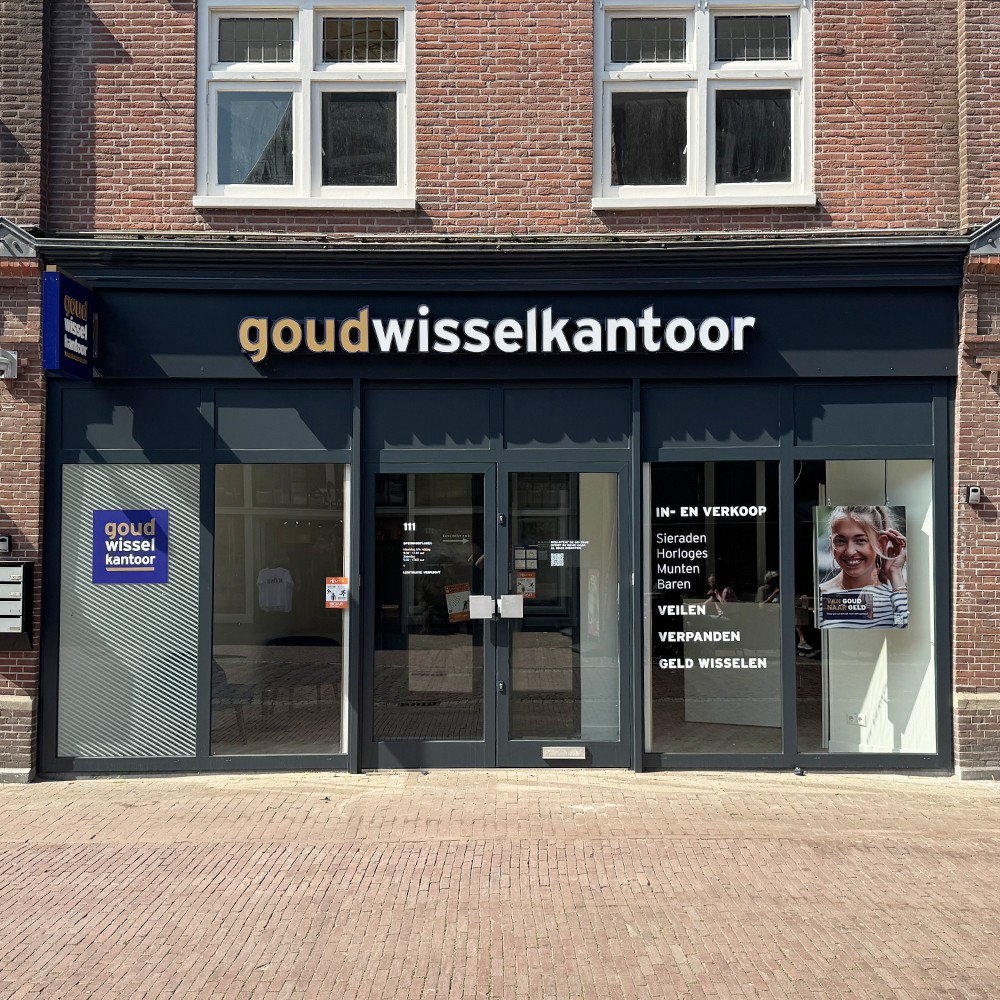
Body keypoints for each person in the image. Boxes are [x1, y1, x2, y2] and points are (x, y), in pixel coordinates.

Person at [818, 505, 907, 629]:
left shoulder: (897, 599)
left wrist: (896, 573)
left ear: (881, 543)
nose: (850, 552)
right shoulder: (818, 597)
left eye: (860, 540)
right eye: (840, 541)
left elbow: (906, 635)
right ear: (831, 543)